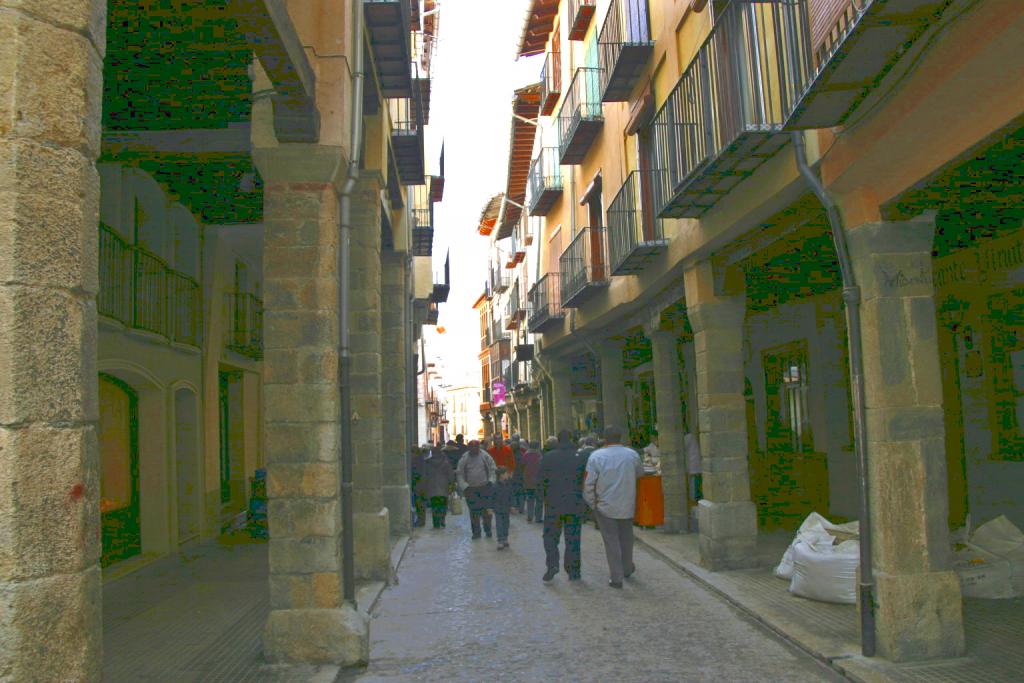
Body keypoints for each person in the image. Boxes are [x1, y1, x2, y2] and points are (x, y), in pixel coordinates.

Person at [584, 426, 644, 589]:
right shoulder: (631, 454)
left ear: (604, 439)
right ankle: (626, 567)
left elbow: (589, 483)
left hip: (605, 505)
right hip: (627, 502)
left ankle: (616, 576)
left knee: (611, 541)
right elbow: (640, 473)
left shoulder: (596, 456)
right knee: (626, 538)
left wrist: (591, 503)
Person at [538, 429, 587, 582]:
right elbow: (584, 480)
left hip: (553, 504)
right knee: (573, 537)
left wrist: (543, 499)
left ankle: (552, 563)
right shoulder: (579, 457)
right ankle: (574, 571)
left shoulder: (548, 457)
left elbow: (540, 481)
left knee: (550, 536)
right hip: (574, 503)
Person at [456, 440, 497, 539]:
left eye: (476, 447)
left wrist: (491, 481)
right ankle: (476, 532)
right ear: (469, 448)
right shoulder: (464, 458)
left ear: (479, 447)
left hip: (485, 487)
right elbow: (459, 473)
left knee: (486, 511)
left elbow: (492, 468)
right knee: (474, 512)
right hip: (471, 489)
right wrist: (464, 486)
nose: (474, 449)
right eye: (472, 447)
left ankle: (488, 530)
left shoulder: (485, 456)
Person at [423, 443, 455, 528]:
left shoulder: (428, 462)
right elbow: (450, 475)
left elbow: (425, 475)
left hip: (432, 486)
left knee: (434, 505)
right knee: (443, 504)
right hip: (444, 487)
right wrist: (452, 484)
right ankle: (442, 519)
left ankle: (436, 522)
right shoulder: (445, 462)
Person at [520, 440, 543, 523]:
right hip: (538, 481)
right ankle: (538, 517)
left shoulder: (525, 455)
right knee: (539, 500)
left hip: (528, 481)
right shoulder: (540, 456)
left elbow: (522, 466)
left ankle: (530, 516)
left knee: (530, 499)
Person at [492, 466, 514, 549]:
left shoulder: (508, 485)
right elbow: (491, 497)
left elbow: (511, 495)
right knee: (499, 524)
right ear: (501, 475)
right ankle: (500, 540)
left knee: (506, 524)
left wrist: (512, 505)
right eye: (506, 473)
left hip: (506, 508)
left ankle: (505, 538)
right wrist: (490, 508)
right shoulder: (495, 486)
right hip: (498, 509)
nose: (508, 475)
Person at [410, 445, 427, 528]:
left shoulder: (414, 460)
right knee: (422, 504)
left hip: (418, 484)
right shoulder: (422, 459)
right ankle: (422, 520)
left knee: (419, 503)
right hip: (424, 484)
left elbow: (415, 473)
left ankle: (420, 521)